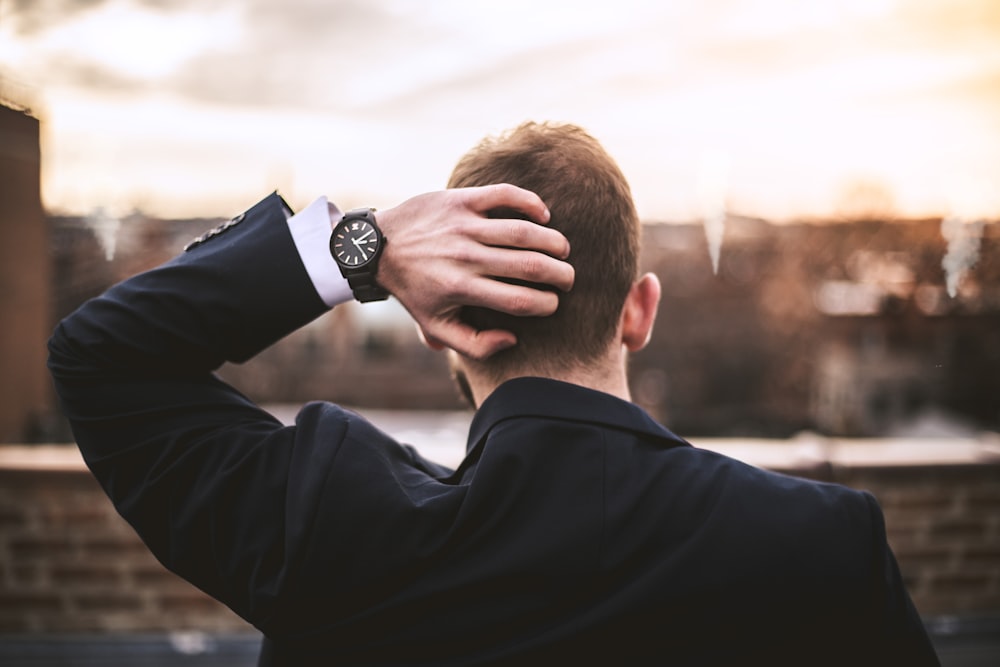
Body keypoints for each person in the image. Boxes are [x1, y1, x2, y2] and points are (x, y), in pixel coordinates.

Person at [48, 122, 939, 666]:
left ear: (445, 324)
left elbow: (102, 358)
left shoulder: (329, 531)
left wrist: (366, 247)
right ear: (640, 310)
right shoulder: (820, 545)